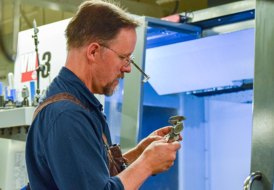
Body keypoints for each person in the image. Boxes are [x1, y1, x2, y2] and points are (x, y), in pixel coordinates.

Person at [25, 0, 182, 189]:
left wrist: (140, 153)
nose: (127, 68)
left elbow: (94, 176)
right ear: (93, 51)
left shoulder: (81, 106)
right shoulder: (67, 115)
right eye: (123, 57)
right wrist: (147, 163)